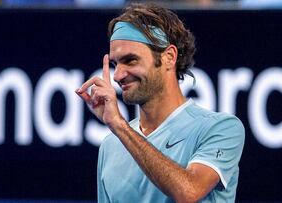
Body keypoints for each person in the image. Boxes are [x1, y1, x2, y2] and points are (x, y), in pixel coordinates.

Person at [76, 3, 245, 202]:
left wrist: (119, 126)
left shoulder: (221, 128)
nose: (118, 75)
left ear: (169, 57)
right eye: (115, 64)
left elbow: (189, 191)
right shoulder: (111, 145)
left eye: (130, 61)